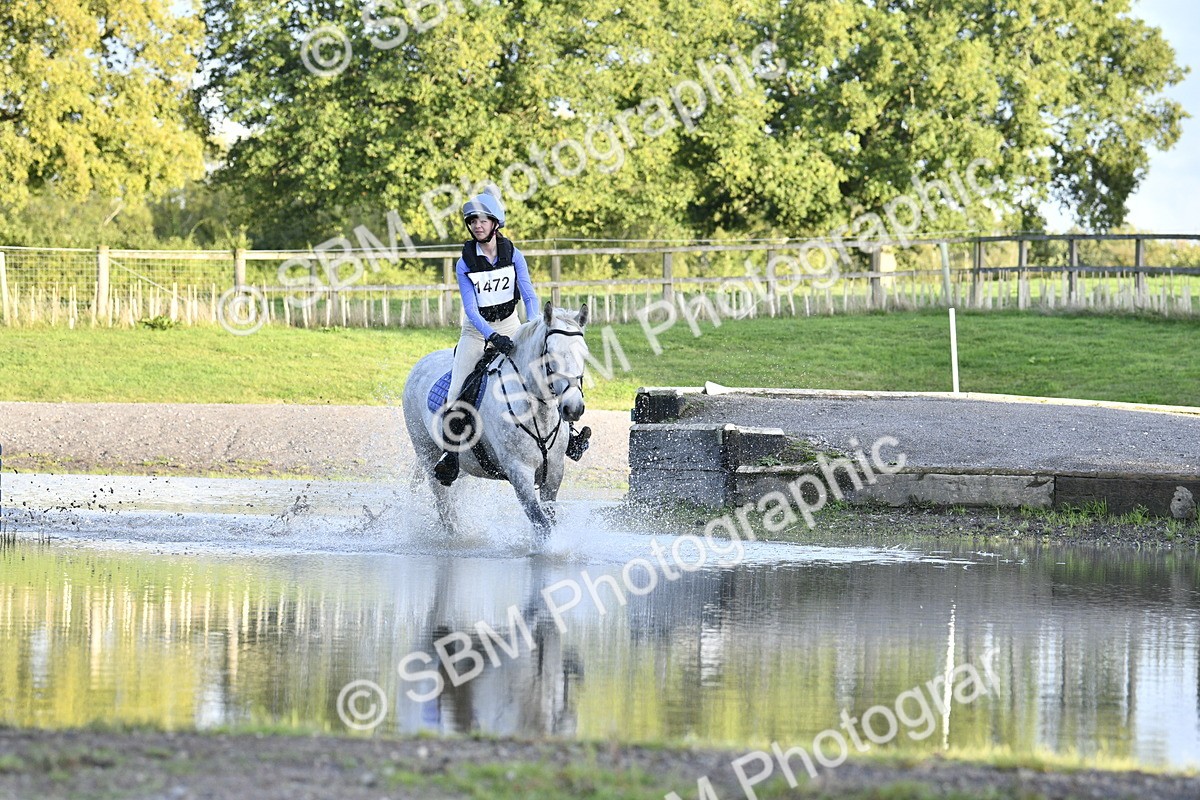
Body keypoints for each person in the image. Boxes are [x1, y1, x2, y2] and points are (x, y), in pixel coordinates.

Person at [433, 193, 589, 485]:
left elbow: (529, 295)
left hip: (512, 325)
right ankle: (450, 454)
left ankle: (570, 436)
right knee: (456, 389)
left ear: (495, 223)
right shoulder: (464, 262)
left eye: (483, 220)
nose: (477, 226)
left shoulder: (513, 254)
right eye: (472, 221)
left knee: (546, 370)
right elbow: (470, 309)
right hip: (476, 331)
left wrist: (532, 327)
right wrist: (492, 336)